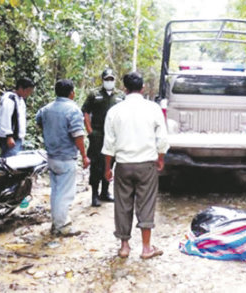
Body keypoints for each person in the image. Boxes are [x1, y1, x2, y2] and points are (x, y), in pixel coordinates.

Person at [102, 72, 169, 259]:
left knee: (122, 204)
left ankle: (124, 246)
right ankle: (147, 248)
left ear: (124, 89)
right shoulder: (153, 108)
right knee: (146, 203)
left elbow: (109, 144)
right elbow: (162, 139)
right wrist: (160, 158)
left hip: (123, 164)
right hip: (146, 163)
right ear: (143, 88)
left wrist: (108, 168)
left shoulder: (114, 111)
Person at [36, 79, 90, 237]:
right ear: (72, 93)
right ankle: (62, 226)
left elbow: (39, 121)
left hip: (51, 156)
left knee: (56, 191)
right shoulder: (73, 110)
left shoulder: (46, 109)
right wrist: (84, 156)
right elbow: (78, 135)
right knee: (65, 193)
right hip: (66, 157)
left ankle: (56, 223)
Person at [82, 69, 125, 207]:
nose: (109, 81)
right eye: (107, 79)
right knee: (96, 165)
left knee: (110, 163)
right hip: (98, 135)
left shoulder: (120, 96)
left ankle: (105, 192)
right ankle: (95, 194)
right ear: (102, 80)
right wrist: (90, 131)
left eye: (111, 79)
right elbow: (86, 113)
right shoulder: (94, 95)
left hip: (114, 136)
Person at [0, 77, 35, 157]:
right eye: (27, 91)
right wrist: (9, 136)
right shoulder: (9, 99)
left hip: (18, 137)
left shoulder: (20, 100)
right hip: (10, 137)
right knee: (10, 161)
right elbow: (5, 117)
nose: (28, 94)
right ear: (21, 88)